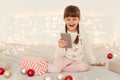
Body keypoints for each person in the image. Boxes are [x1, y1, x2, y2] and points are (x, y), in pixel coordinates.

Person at [48, 5, 101, 73]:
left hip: (76, 60)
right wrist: (60, 47)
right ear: (64, 19)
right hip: (64, 58)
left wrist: (93, 61)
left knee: (85, 67)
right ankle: (50, 65)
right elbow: (59, 55)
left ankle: (63, 68)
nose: (71, 22)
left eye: (74, 19)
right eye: (68, 19)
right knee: (54, 70)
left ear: (78, 19)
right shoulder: (63, 33)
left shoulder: (82, 32)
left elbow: (87, 47)